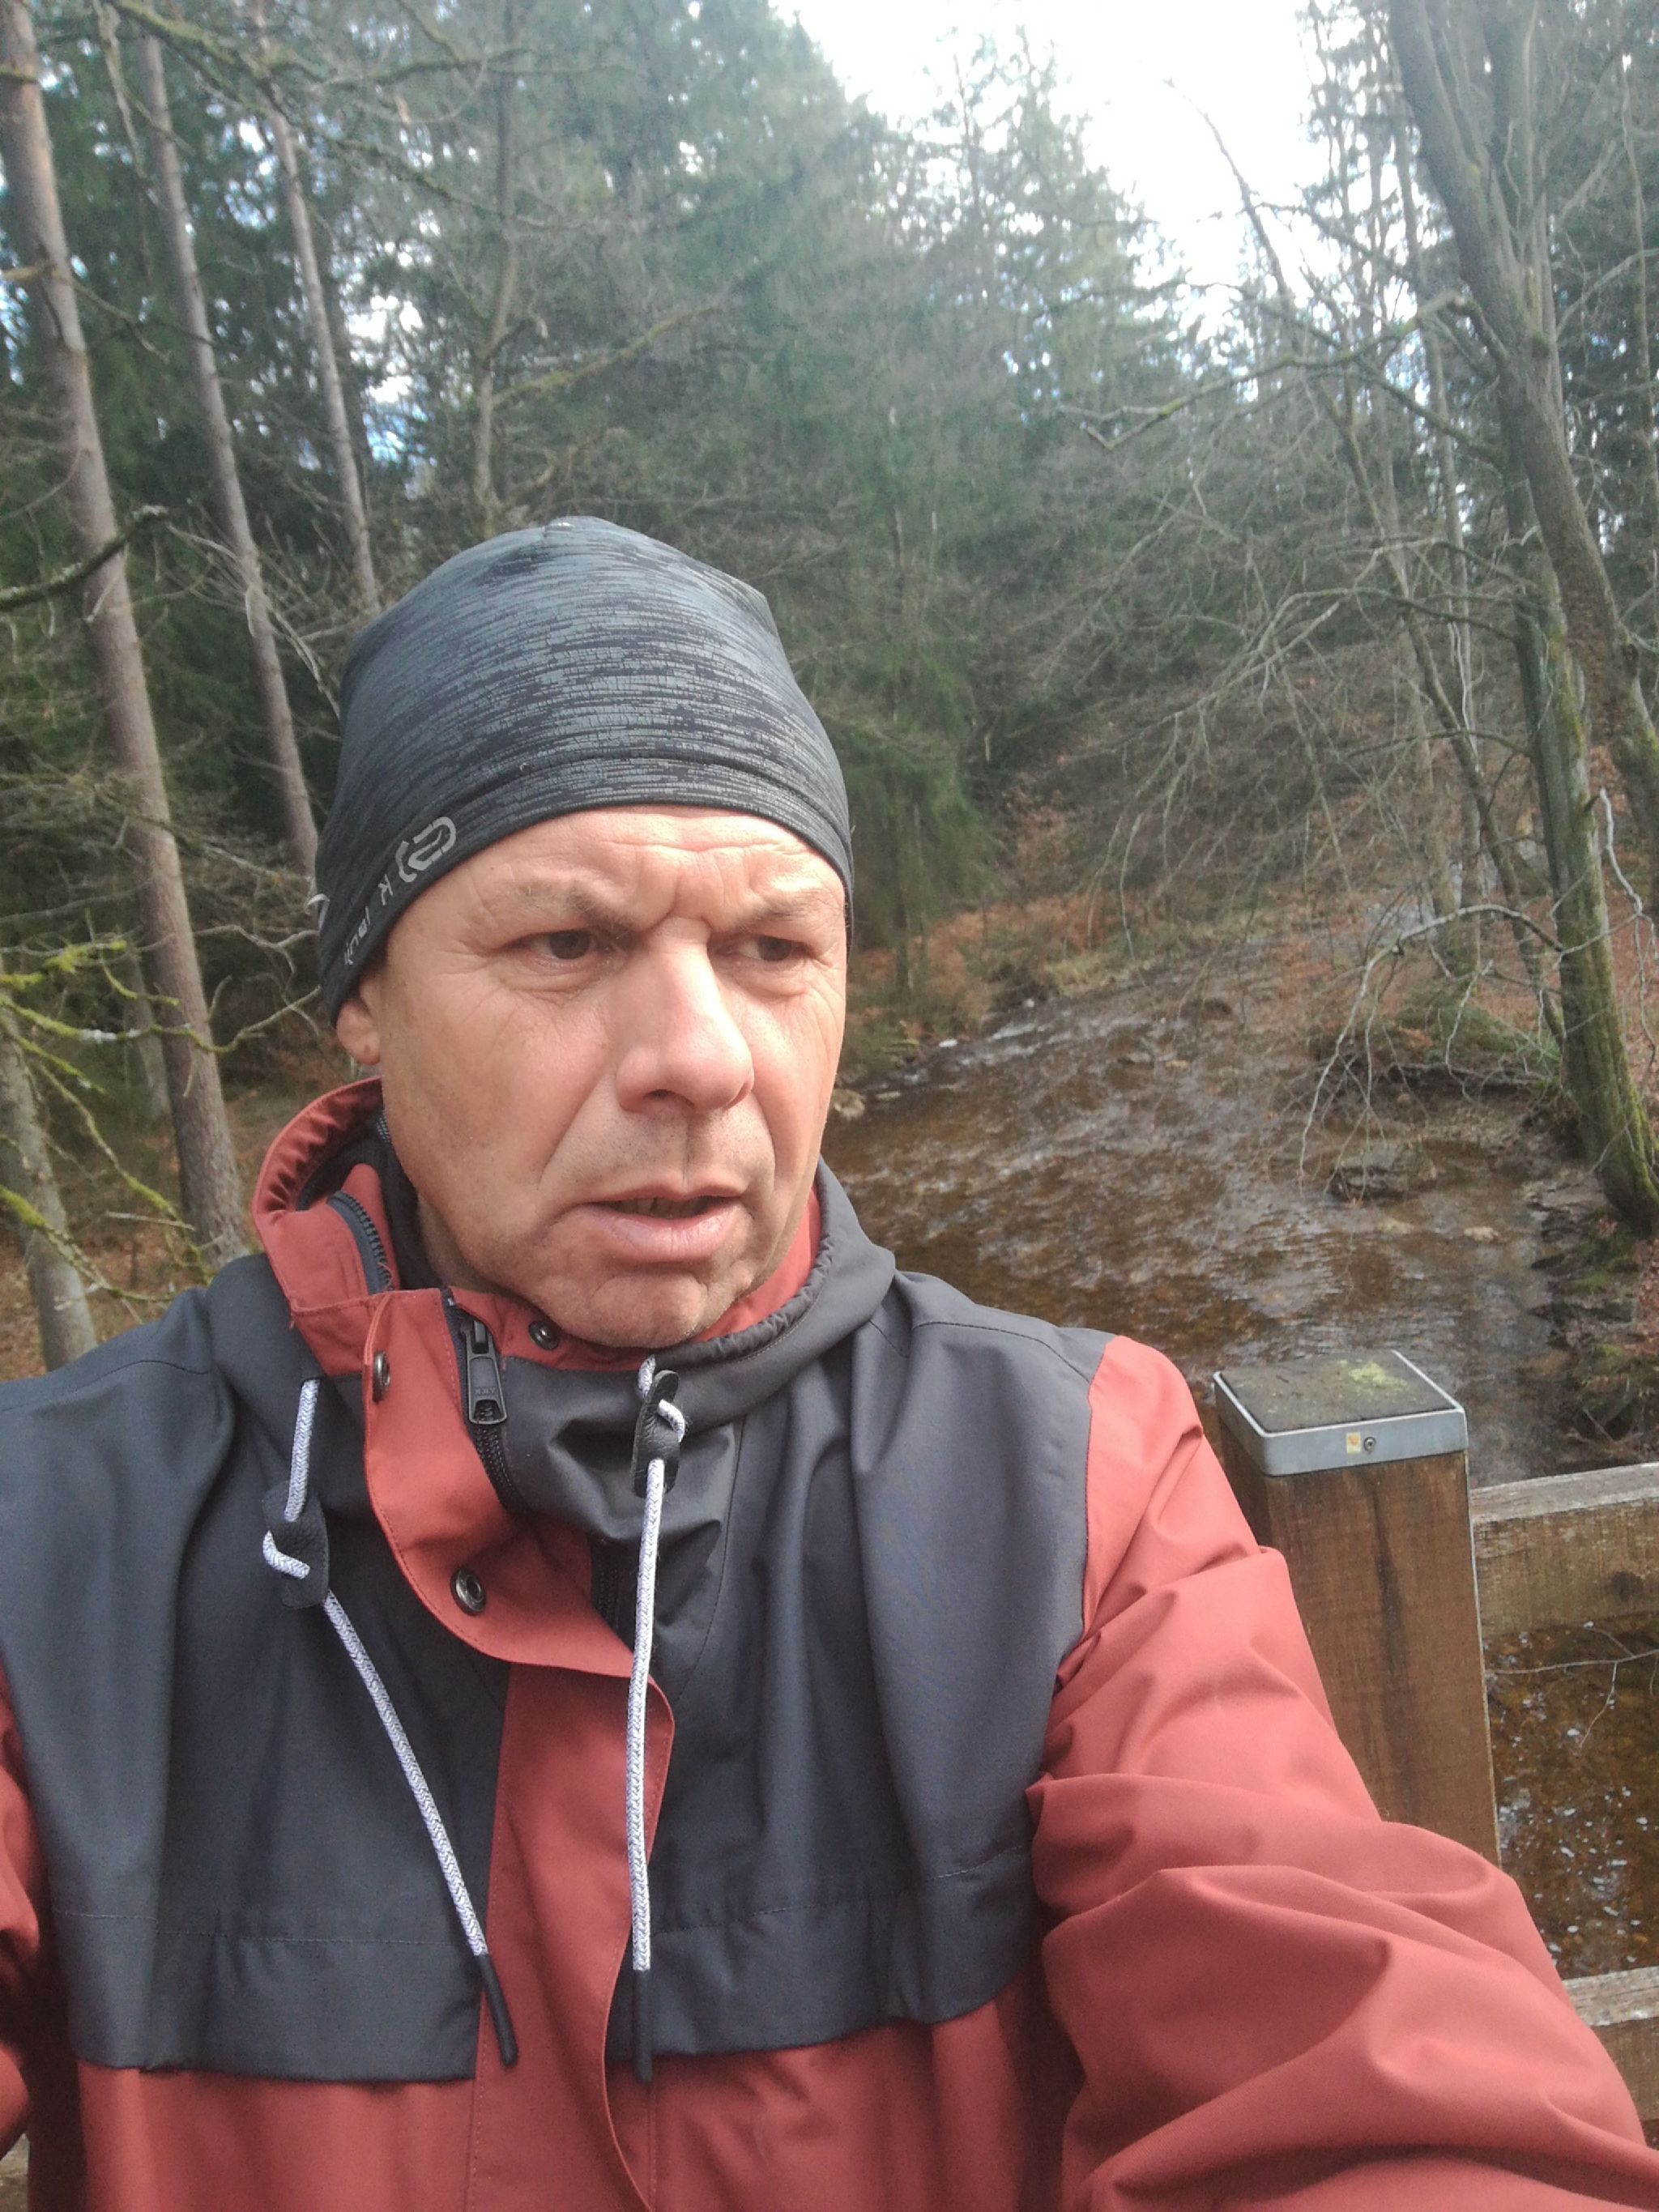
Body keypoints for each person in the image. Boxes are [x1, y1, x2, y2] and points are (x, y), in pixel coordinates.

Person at [0, 518, 1656, 2212]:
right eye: (566, 944)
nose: (701, 1057)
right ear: (365, 993)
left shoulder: (1073, 1485)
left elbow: (1353, 2054)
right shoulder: (52, 1532)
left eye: (773, 950)